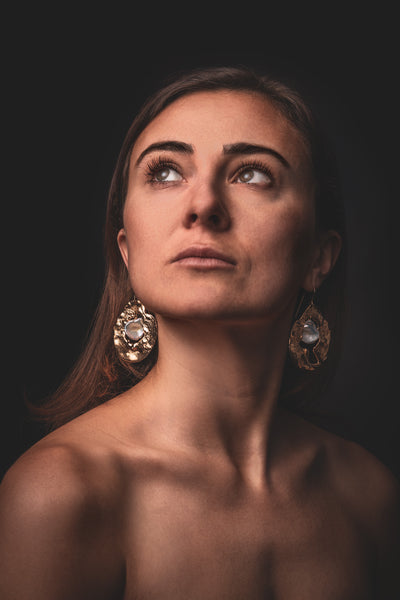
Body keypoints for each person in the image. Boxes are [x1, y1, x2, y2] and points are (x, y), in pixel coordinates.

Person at [1, 66, 399, 599]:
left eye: (252, 174)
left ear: (318, 258)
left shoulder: (369, 497)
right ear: (127, 250)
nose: (203, 205)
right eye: (165, 172)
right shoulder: (61, 493)